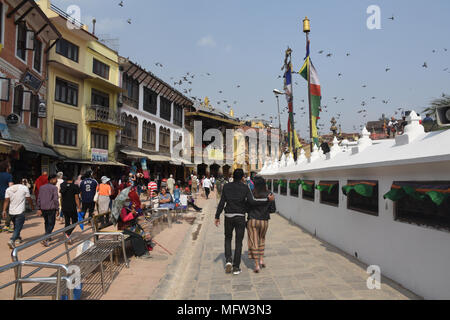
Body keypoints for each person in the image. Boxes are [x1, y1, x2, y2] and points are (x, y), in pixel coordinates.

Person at [215, 169, 274, 275]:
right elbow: (252, 201)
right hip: (240, 217)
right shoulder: (245, 187)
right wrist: (266, 200)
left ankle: (228, 260)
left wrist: (217, 216)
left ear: (233, 176)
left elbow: (222, 202)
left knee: (228, 238)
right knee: (238, 241)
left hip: (228, 216)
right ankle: (236, 267)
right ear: (242, 177)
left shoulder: (226, 187)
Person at [246, 176, 276, 273]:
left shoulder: (251, 193)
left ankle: (256, 265)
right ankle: (261, 259)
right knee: (262, 239)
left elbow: (247, 207)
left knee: (254, 241)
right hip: (264, 221)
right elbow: (273, 210)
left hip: (253, 220)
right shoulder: (269, 194)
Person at [3, 178, 34, 249]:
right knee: (18, 227)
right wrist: (32, 206)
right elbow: (29, 198)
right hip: (20, 211)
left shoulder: (8, 189)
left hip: (11, 211)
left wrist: (4, 210)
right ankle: (12, 240)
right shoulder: (24, 188)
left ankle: (18, 238)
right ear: (21, 182)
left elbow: (6, 200)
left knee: (16, 225)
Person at [36, 174, 59, 247]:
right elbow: (55, 199)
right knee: (51, 223)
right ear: (51, 180)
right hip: (51, 208)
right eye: (56, 179)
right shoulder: (54, 188)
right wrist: (57, 208)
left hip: (43, 208)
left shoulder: (42, 187)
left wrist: (39, 208)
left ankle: (48, 236)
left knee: (46, 222)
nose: (57, 180)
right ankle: (46, 237)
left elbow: (39, 198)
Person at [60, 175, 81, 244]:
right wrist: (79, 207)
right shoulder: (75, 186)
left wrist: (61, 205)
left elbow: (61, 197)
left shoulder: (62, 185)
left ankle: (67, 236)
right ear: (73, 178)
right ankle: (68, 234)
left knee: (67, 221)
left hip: (64, 206)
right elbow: (76, 198)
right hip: (72, 206)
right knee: (75, 221)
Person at [0, 161, 14, 232]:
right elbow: (10, 186)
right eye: (9, 166)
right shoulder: (9, 175)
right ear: (6, 167)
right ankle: (7, 225)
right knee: (8, 210)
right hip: (6, 195)